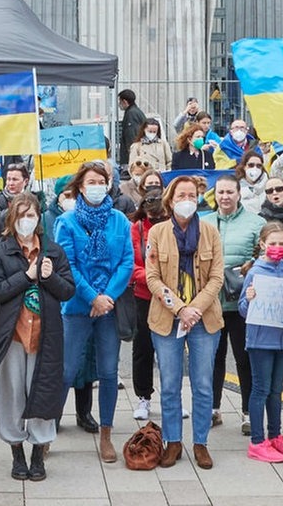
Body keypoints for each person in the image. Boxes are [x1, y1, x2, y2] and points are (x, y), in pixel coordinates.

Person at [0, 195, 71, 482]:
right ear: (11, 219)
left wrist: (50, 277)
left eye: (31, 214)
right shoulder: (0, 252)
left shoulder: (53, 252)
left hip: (45, 337)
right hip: (13, 338)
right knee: (12, 395)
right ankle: (17, 452)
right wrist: (27, 275)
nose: (26, 220)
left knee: (42, 393)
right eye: (20, 215)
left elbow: (67, 290)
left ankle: (38, 453)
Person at [144, 175, 223, 470]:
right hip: (167, 318)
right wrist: (180, 309)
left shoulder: (210, 232)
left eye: (192, 194)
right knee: (169, 384)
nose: (187, 200)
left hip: (204, 318)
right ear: (170, 199)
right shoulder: (157, 232)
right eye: (181, 195)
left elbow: (216, 276)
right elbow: (152, 277)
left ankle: (200, 442)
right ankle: (173, 440)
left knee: (203, 384)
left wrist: (195, 309)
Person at [53, 161, 130, 462]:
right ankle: (47, 429)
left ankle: (107, 434)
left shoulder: (119, 220)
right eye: (91, 182)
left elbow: (126, 261)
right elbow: (67, 265)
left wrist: (107, 296)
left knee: (109, 372)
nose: (97, 186)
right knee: (67, 370)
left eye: (102, 181)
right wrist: (91, 297)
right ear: (80, 187)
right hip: (76, 306)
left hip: (109, 309)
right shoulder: (67, 222)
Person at [237, 222, 283, 464]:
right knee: (260, 389)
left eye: (281, 243)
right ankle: (257, 440)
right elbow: (242, 309)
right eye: (272, 243)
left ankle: (275, 435)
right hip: (260, 341)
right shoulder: (255, 272)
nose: (277, 247)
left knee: (276, 389)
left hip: (282, 340)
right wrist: (250, 299)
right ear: (262, 244)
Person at [208, 172, 263, 435]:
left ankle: (248, 412)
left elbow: (263, 259)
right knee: (212, 359)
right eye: (220, 192)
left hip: (242, 304)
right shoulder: (204, 221)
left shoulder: (256, 222)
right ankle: (212, 409)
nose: (225, 196)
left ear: (239, 193)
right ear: (214, 194)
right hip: (211, 303)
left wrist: (250, 266)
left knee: (244, 360)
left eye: (230, 192)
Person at [126, 171, 165, 422]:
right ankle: (143, 397)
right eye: (151, 211)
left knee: (169, 350)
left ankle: (171, 397)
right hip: (143, 296)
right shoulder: (136, 229)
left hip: (171, 297)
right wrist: (153, 281)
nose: (156, 216)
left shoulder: (173, 226)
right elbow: (131, 265)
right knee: (143, 348)